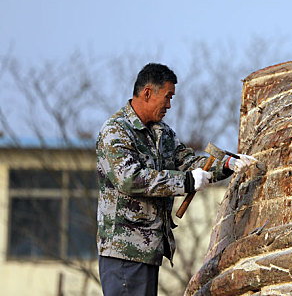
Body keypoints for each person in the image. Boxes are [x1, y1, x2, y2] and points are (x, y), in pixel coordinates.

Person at [96, 63, 255, 295]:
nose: (169, 105)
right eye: (167, 97)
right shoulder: (116, 132)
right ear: (148, 92)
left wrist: (228, 164)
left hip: (149, 249)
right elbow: (130, 179)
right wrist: (185, 182)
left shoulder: (162, 133)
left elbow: (189, 164)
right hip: (124, 252)